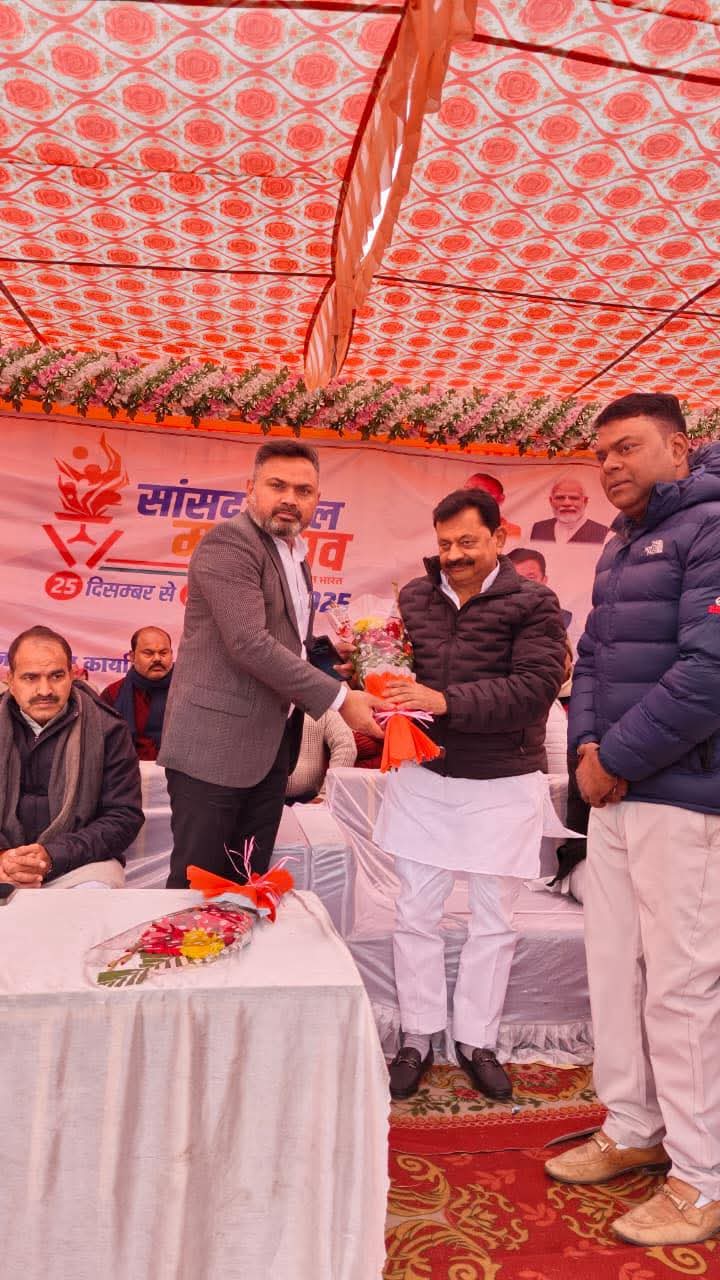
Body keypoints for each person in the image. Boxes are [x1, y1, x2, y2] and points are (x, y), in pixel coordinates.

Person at [544, 392, 720, 1246]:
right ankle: (633, 1127)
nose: (610, 464)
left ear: (679, 449)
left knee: (683, 986)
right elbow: (592, 666)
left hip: (682, 796)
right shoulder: (619, 543)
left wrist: (612, 759)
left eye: (628, 447)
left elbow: (709, 673)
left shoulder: (710, 527)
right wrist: (587, 749)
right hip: (614, 793)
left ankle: (703, 1178)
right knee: (615, 967)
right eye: (601, 452)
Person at [373, 488, 566, 1100]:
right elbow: (395, 672)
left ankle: (477, 1040)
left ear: (499, 538)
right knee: (414, 914)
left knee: (493, 921)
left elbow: (535, 689)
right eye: (444, 543)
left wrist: (443, 702)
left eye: (467, 542)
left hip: (502, 781)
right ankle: (418, 1034)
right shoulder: (414, 596)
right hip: (424, 778)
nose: (453, 555)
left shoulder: (534, 602)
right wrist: (381, 691)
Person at [159, 439, 383, 887]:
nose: (290, 499)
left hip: (269, 748)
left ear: (317, 500)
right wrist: (340, 699)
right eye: (277, 485)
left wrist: (332, 658)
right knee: (196, 887)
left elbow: (288, 640)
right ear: (250, 488)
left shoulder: (294, 554)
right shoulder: (230, 543)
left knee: (247, 883)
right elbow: (248, 642)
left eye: (303, 491)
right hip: (213, 748)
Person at [0, 626, 143, 888]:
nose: (45, 690)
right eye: (30, 677)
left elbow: (123, 817)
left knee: (93, 895)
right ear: (10, 679)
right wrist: (4, 859)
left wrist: (52, 856)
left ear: (72, 675)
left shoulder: (108, 728)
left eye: (56, 676)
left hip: (78, 863)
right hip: (2, 862)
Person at [101, 626, 174, 760]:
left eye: (163, 653)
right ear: (132, 657)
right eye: (148, 653)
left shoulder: (186, 692)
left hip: (177, 768)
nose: (157, 659)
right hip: (127, 768)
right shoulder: (112, 694)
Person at [285, 707, 357, 804]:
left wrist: (327, 794)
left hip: (310, 800)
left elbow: (346, 746)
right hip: (265, 797)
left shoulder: (324, 706)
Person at [506, 547, 572, 629]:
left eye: (530, 578)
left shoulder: (560, 619)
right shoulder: (493, 617)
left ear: (543, 581)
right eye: (515, 577)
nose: (523, 584)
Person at [531, 478, 608, 544]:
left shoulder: (603, 533)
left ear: (585, 501)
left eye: (574, 498)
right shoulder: (539, 529)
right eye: (560, 498)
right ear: (551, 501)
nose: (567, 503)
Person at [464, 472, 521, 537]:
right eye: (467, 490)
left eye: (481, 493)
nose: (470, 497)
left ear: (500, 499)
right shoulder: (456, 525)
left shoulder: (512, 532)